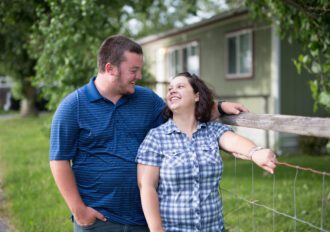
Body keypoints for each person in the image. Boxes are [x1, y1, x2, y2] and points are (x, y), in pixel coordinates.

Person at [49, 35, 248, 232]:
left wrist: (220, 107)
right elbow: (59, 161)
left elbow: (183, 113)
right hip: (99, 221)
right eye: (133, 70)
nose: (139, 76)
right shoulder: (73, 106)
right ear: (110, 69)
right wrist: (79, 211)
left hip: (143, 218)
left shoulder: (146, 99)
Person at [136, 72, 277, 232]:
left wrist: (256, 152)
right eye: (170, 89)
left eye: (180, 86)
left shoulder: (213, 131)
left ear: (196, 96)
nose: (172, 91)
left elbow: (233, 142)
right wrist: (156, 230)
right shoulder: (156, 137)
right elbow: (147, 186)